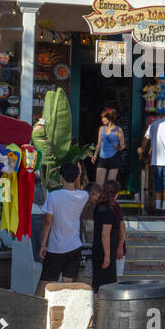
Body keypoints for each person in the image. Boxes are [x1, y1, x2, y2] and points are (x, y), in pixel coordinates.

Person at [36, 163, 93, 296]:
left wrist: (43, 244)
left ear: (61, 178)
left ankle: (34, 311)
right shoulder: (83, 196)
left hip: (56, 247)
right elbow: (79, 189)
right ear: (77, 177)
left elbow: (47, 221)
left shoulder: (54, 196)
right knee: (67, 283)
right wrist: (78, 177)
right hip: (74, 246)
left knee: (45, 282)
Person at [90, 181, 127, 298]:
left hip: (99, 250)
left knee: (99, 285)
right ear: (115, 194)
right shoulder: (108, 211)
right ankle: (100, 312)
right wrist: (107, 256)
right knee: (104, 286)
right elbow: (105, 234)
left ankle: (97, 312)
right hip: (105, 252)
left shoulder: (99, 207)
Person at [91, 108, 126, 185]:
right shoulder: (101, 129)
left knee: (110, 186)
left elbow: (123, 146)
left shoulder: (118, 130)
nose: (102, 119)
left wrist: (118, 148)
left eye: (104, 117)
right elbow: (99, 143)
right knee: (98, 184)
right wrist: (95, 155)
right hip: (102, 157)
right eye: (102, 117)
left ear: (110, 118)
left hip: (113, 158)